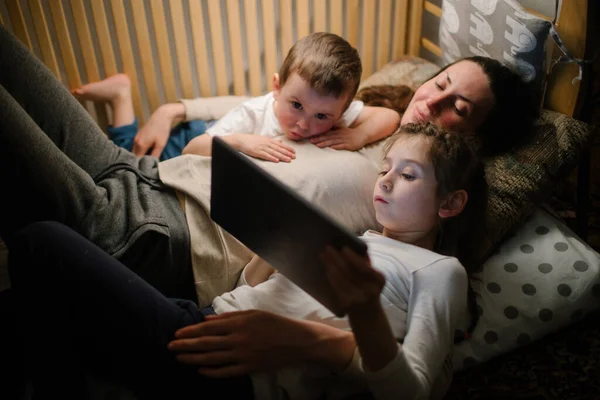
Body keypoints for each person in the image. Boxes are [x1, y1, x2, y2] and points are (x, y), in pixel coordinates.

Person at [0, 24, 537, 304]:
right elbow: (273, 104)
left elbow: (406, 280)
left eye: (457, 109)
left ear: (477, 141)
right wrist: (175, 107)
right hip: (153, 175)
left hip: (169, 235)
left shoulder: (420, 200)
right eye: (440, 83)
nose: (431, 102)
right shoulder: (378, 110)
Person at [8, 122, 488, 400]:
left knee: (41, 241)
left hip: (236, 375)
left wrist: (318, 338)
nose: (383, 180)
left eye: (407, 175)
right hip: (211, 317)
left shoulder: (440, 271)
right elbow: (242, 287)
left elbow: (415, 390)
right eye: (384, 168)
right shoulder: (360, 242)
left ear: (449, 204)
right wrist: (273, 247)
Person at [72, 74, 249, 161]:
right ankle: (120, 96)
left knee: (133, 162)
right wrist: (170, 111)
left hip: (200, 133)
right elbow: (244, 104)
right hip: (198, 142)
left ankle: (120, 96)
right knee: (131, 165)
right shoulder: (266, 108)